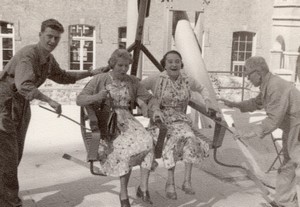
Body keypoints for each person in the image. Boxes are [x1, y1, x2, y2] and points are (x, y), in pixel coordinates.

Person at [0, 19, 102, 207]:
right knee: (7, 158)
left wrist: (90, 72)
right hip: (4, 106)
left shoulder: (47, 59)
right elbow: (24, 85)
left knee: (14, 156)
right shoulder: (28, 55)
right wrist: (50, 100)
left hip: (20, 106)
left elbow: (63, 76)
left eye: (56, 38)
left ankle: (4, 197)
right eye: (49, 36)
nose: (52, 41)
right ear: (40, 35)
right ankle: (10, 203)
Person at [76, 48, 163, 207]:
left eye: (126, 66)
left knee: (148, 141)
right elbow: (80, 99)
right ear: (112, 64)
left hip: (128, 121)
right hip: (109, 124)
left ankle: (143, 188)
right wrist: (97, 97)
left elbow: (150, 98)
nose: (124, 69)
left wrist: (153, 108)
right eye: (120, 65)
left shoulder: (132, 81)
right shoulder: (100, 79)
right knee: (124, 150)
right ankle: (124, 195)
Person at [219, 56, 300, 207]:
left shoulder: (275, 86)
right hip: (292, 125)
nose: (248, 79)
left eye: (249, 74)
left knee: (294, 164)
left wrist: (249, 133)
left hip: (297, 126)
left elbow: (273, 119)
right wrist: (235, 105)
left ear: (258, 72)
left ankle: (286, 202)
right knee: (288, 165)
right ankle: (286, 202)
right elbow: (257, 103)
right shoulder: (268, 84)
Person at [140, 50, 213, 200]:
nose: (174, 64)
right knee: (172, 140)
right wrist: (144, 104)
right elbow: (138, 89)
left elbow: (202, 88)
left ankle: (187, 180)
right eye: (170, 61)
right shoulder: (156, 79)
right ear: (164, 64)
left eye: (177, 61)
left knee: (190, 137)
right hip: (160, 120)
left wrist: (207, 100)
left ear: (181, 64)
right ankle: (170, 182)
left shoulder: (186, 79)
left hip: (180, 119)